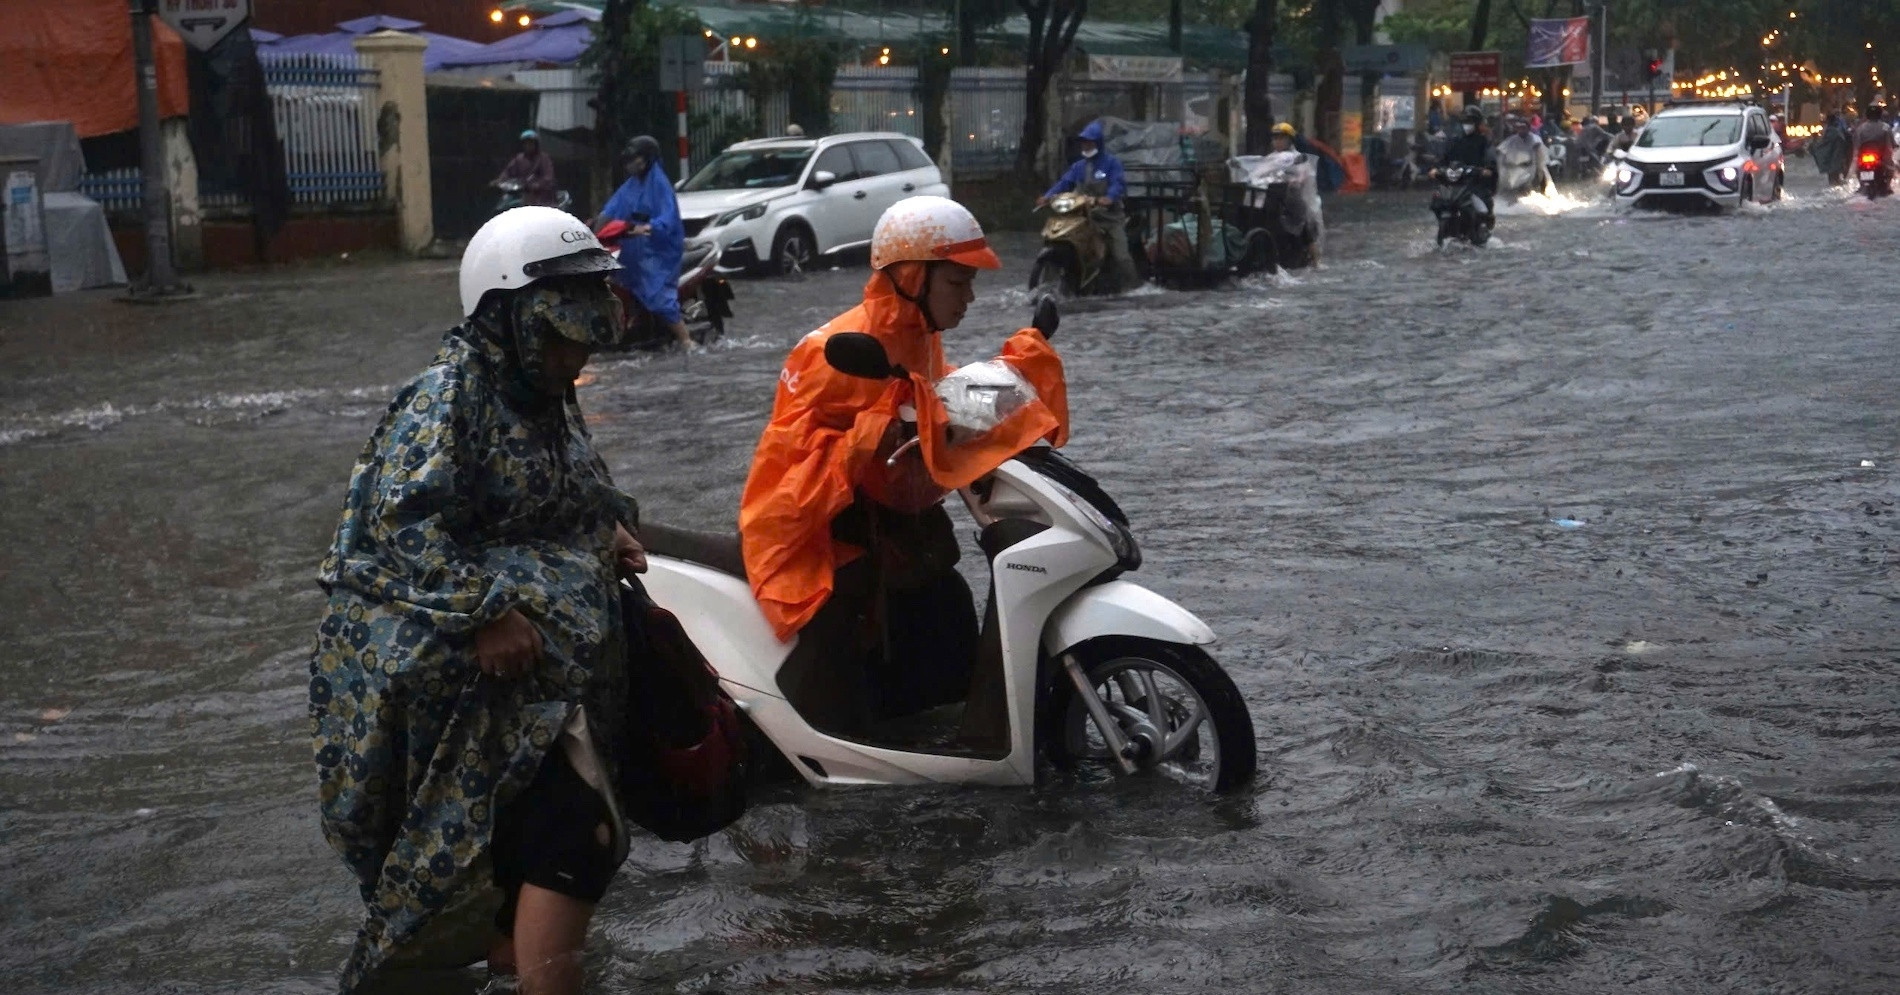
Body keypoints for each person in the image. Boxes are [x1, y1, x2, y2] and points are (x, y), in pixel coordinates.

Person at [310, 206, 644, 995]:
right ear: (508, 319)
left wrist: (610, 532)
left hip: (539, 679)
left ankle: (515, 961)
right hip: (458, 681)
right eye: (562, 333)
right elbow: (396, 526)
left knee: (551, 843)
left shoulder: (546, 394)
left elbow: (570, 492)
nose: (577, 351)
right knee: (576, 837)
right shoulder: (444, 400)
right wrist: (485, 610)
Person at [737, 196, 1068, 744]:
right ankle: (837, 748)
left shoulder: (920, 338)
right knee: (849, 617)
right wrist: (870, 436)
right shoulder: (829, 353)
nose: (970, 298)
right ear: (913, 278)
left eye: (969, 285)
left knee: (950, 607)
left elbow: (942, 400)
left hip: (900, 526)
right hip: (826, 538)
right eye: (957, 284)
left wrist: (1020, 387)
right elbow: (787, 473)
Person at [597, 136, 689, 349]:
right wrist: (593, 227)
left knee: (656, 294)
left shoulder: (660, 184)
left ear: (647, 159)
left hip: (658, 250)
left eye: (635, 159)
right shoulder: (631, 185)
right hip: (632, 246)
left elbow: (669, 216)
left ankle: (686, 340)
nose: (630, 164)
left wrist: (650, 227)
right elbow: (611, 209)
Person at [1037, 120, 1139, 290]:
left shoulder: (1111, 163)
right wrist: (1047, 197)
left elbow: (1118, 183)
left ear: (1098, 143)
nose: (1085, 146)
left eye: (1089, 142)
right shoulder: (1079, 166)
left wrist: (1109, 198)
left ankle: (1133, 287)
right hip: (1082, 216)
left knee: (1121, 255)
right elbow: (1064, 183)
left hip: (1108, 217)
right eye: (1083, 142)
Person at [1438, 105, 1498, 218]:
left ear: (1477, 123)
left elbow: (1490, 158)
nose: (1467, 125)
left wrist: (1487, 170)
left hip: (1476, 182)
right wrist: (1436, 169)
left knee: (1484, 210)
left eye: (1470, 121)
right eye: (1465, 121)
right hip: (1455, 182)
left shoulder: (1483, 141)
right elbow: (1444, 157)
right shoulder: (1455, 140)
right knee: (1439, 201)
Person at [493, 129, 559, 208]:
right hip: (524, 192)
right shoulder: (519, 158)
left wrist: (537, 185)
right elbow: (508, 171)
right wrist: (499, 181)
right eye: (526, 143)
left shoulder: (543, 158)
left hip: (542, 196)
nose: (528, 145)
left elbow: (549, 177)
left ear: (536, 144)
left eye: (531, 143)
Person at [1496, 114, 1553, 194]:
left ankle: (1543, 191)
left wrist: (1536, 153)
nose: (1521, 130)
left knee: (1542, 172)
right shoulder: (1513, 139)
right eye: (1519, 128)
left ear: (1528, 128)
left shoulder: (1534, 139)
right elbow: (1502, 148)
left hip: (1532, 165)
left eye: (1523, 128)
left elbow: (1540, 154)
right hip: (1516, 165)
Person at [1854, 103, 1894, 176]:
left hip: (1865, 159)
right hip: (1881, 160)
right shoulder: (1885, 127)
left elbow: (1856, 144)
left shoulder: (1861, 128)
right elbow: (1892, 144)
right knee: (1890, 168)